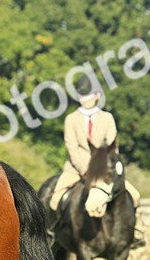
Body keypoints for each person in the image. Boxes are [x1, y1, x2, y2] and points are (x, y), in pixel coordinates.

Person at [48, 79, 141, 211]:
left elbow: (113, 147)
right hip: (77, 169)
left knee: (135, 196)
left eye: (88, 96)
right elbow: (72, 147)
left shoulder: (107, 118)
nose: (84, 100)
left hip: (104, 172)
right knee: (55, 200)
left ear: (97, 96)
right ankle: (52, 231)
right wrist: (85, 170)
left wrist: (106, 168)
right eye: (81, 96)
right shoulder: (71, 119)